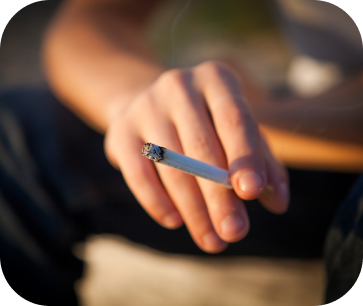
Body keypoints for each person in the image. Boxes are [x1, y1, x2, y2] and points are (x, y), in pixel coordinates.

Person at [0, 0, 362, 304]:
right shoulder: (154, 149)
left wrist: (255, 116)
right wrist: (131, 99)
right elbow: (93, 17)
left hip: (320, 130)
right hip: (306, 122)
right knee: (13, 133)